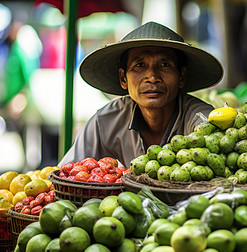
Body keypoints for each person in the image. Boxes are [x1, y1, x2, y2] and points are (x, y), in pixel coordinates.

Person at [58, 21, 223, 168]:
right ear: (123, 78)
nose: (152, 77)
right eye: (139, 65)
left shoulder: (201, 121)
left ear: (181, 76)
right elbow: (64, 174)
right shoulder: (106, 121)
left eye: (165, 64)